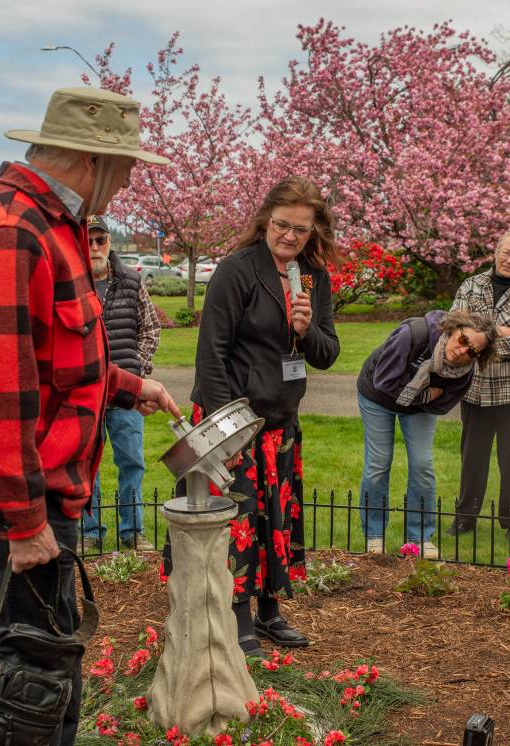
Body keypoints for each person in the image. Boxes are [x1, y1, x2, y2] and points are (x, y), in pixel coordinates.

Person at [0, 86, 181, 746]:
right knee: (24, 700)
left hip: (48, 504)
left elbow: (57, 357)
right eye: (125, 164)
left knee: (46, 687)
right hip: (29, 512)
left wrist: (131, 386)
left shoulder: (51, 224)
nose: (131, 178)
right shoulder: (11, 232)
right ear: (87, 158)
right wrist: (23, 524)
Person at [174, 175, 341, 657]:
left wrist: (306, 330)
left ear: (314, 232)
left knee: (275, 520)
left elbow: (327, 354)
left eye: (301, 230)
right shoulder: (237, 271)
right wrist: (230, 430)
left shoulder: (312, 277)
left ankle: (269, 610)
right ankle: (237, 615)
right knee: (239, 521)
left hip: (280, 423)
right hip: (234, 420)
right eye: (282, 225)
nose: (290, 236)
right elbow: (212, 355)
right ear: (266, 219)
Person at [357, 309, 496, 559]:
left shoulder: (465, 373)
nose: (464, 351)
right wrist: (424, 395)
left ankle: (419, 538)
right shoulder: (413, 334)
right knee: (378, 463)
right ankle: (374, 535)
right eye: (464, 340)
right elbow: (385, 382)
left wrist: (420, 400)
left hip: (418, 408)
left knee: (422, 465)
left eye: (473, 351)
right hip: (376, 396)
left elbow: (442, 405)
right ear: (454, 329)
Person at [448, 230, 510, 540]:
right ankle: (465, 518)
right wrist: (501, 332)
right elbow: (453, 330)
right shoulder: (471, 286)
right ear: (495, 252)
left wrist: (479, 336)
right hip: (475, 388)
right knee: (472, 458)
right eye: (506, 252)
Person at [81, 214, 160, 552]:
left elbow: (151, 329)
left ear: (110, 242)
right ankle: (90, 531)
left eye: (101, 240)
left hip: (125, 396)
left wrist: (135, 372)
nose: (95, 247)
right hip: (86, 392)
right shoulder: (72, 283)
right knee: (87, 466)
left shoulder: (130, 280)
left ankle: (132, 532)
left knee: (131, 463)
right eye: (89, 241)